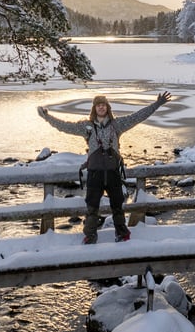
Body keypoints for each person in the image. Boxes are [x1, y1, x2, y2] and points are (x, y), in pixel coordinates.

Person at [37, 91, 172, 244]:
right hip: (95, 174)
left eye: (104, 105)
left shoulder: (117, 125)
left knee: (117, 206)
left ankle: (122, 234)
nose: (101, 108)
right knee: (92, 208)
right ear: (94, 109)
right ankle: (90, 236)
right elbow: (64, 126)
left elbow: (138, 116)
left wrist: (157, 104)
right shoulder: (86, 127)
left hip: (113, 172)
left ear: (108, 107)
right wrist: (47, 117)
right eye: (98, 105)